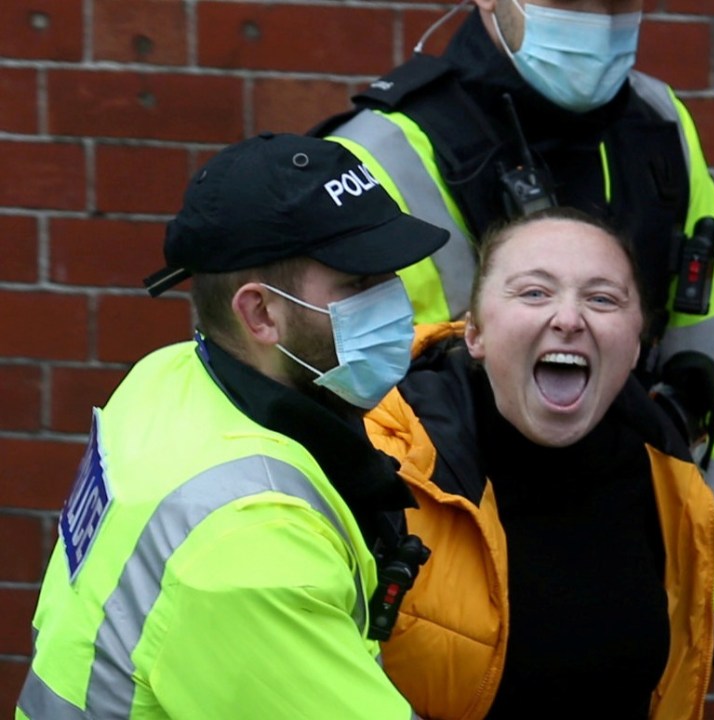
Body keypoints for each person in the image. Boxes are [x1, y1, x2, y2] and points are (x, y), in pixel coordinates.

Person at [309, 0, 714, 663]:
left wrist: (711, 604)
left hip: (628, 612)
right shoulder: (377, 158)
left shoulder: (657, 127)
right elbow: (329, 428)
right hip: (437, 642)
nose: (599, 21)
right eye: (573, 3)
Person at [15, 132, 450, 720]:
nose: (395, 302)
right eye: (358, 284)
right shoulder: (251, 548)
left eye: (390, 275)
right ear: (260, 312)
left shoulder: (166, 376)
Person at [364, 206, 714, 719]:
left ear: (637, 341)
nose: (569, 319)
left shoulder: (671, 477)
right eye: (534, 292)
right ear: (475, 333)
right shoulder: (380, 462)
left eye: (602, 298)